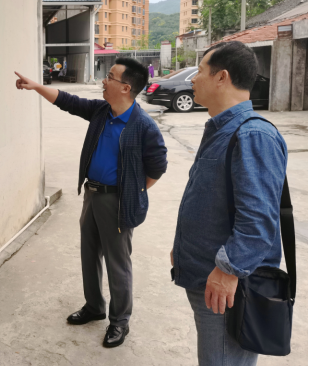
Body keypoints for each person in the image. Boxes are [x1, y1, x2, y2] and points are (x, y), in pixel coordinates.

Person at [15, 58, 168, 348]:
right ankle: (94, 306)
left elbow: (157, 167)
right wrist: (36, 86)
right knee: (89, 254)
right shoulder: (101, 111)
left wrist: (131, 192)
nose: (103, 81)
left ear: (126, 88)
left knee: (117, 263)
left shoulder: (143, 126)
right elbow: (68, 101)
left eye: (109, 77)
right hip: (92, 194)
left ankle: (120, 321)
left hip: (117, 202)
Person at [171, 41, 288, 366]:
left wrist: (228, 269)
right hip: (207, 278)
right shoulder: (223, 130)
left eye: (200, 71)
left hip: (226, 287)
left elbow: (258, 220)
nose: (193, 79)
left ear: (221, 77)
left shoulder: (252, 135)